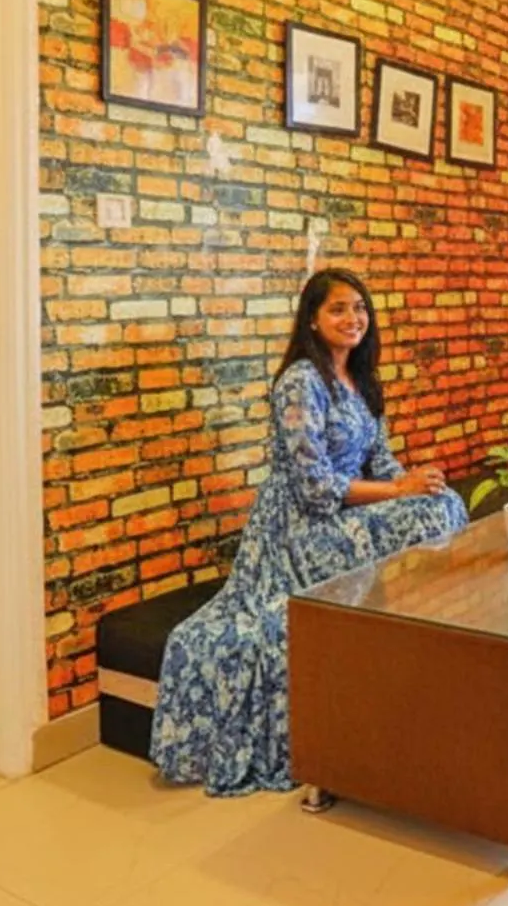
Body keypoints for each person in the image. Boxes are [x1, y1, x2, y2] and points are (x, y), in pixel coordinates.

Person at [148, 267, 466, 796]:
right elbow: (315, 488)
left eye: (360, 308)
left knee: (445, 503)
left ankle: (420, 632)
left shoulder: (360, 379)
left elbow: (381, 460)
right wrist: (398, 493)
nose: (352, 318)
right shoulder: (301, 382)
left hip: (349, 511)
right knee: (424, 512)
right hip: (300, 528)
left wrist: (416, 480)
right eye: (338, 309)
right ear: (313, 321)